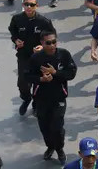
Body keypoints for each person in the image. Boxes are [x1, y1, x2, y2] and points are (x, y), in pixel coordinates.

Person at [25, 31, 77, 165]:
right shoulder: (36, 58)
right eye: (48, 43)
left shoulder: (64, 55)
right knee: (44, 127)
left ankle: (59, 149)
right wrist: (41, 79)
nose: (52, 45)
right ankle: (50, 146)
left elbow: (71, 73)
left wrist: (56, 73)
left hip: (58, 98)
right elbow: (27, 76)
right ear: (42, 43)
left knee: (57, 127)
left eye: (54, 42)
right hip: (41, 99)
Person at [8, 0, 57, 117]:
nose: (29, 7)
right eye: (26, 4)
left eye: (32, 5)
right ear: (23, 5)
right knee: (22, 84)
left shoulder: (44, 22)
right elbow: (13, 32)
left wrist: (43, 47)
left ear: (37, 6)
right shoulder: (17, 19)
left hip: (39, 58)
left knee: (39, 84)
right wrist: (16, 40)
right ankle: (26, 99)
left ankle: (36, 103)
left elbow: (52, 38)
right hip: (24, 57)